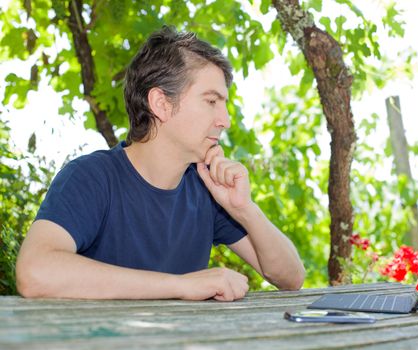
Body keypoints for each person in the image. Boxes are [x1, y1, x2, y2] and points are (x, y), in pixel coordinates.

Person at [15, 26, 305, 301]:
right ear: (161, 104)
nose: (225, 121)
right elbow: (34, 272)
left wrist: (245, 210)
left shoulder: (206, 190)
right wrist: (181, 286)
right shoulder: (92, 177)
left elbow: (290, 278)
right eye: (211, 101)